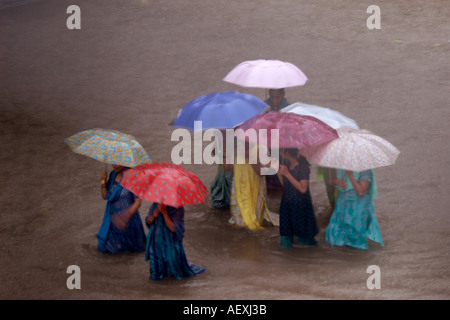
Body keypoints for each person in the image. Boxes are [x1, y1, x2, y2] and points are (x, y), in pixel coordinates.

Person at [325, 169, 384, 250]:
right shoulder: (342, 166)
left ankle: (357, 259)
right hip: (342, 209)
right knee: (335, 235)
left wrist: (351, 176)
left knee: (356, 239)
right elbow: (332, 182)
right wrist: (336, 182)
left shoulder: (365, 169)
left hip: (358, 210)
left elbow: (361, 191)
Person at [145, 203, 206, 280]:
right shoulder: (154, 205)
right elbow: (148, 221)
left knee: (173, 274)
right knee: (155, 274)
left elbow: (174, 229)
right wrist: (153, 216)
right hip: (155, 246)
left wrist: (164, 212)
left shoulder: (178, 208)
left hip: (171, 246)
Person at [229, 143, 279, 230]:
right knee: (248, 208)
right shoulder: (257, 148)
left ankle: (243, 227)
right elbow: (259, 171)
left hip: (247, 186)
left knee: (247, 208)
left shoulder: (238, 149)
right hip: (247, 185)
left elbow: (228, 167)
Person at [97, 164, 146, 253]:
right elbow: (105, 196)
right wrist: (103, 181)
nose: (114, 165)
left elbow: (138, 202)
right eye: (112, 162)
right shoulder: (113, 175)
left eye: (116, 163)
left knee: (130, 252)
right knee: (111, 251)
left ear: (124, 162)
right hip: (113, 221)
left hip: (128, 222)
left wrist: (125, 217)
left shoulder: (132, 176)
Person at [277, 148, 318, 248]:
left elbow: (303, 189)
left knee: (304, 240)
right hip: (287, 204)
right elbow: (285, 185)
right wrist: (278, 172)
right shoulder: (285, 164)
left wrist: (287, 174)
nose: (279, 153)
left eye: (281, 151)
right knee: (286, 236)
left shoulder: (303, 167)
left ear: (287, 153)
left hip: (300, 205)